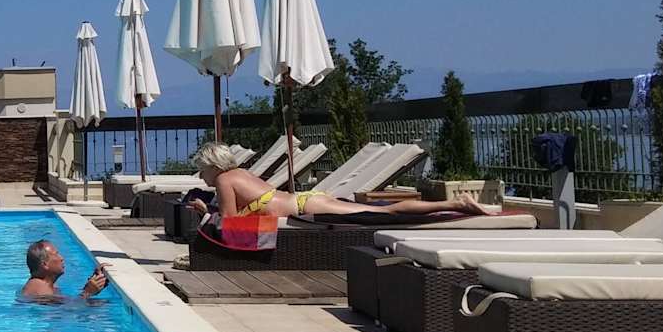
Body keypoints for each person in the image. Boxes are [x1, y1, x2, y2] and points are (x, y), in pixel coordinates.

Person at [192, 141, 497, 219]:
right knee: (381, 212)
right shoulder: (240, 173)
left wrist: (207, 214)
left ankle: (455, 204)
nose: (201, 175)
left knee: (385, 212)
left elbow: (229, 223)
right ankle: (455, 205)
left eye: (202, 169)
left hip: (305, 208)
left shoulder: (224, 181)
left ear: (213, 166)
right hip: (307, 201)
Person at [19, 239, 109, 303]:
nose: (61, 258)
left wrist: (93, 284)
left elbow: (66, 303)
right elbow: (67, 312)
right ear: (45, 264)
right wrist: (88, 292)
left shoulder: (47, 283)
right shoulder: (40, 289)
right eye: (56, 254)